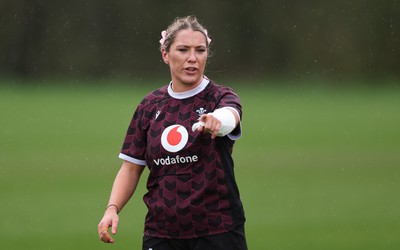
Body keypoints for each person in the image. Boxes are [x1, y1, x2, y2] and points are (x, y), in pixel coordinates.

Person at [97, 15, 248, 250]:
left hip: (218, 230)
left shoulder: (220, 97)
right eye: (183, 50)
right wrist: (112, 209)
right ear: (165, 55)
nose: (192, 58)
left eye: (200, 50)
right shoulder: (149, 106)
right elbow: (131, 167)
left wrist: (217, 120)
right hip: (161, 233)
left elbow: (231, 115)